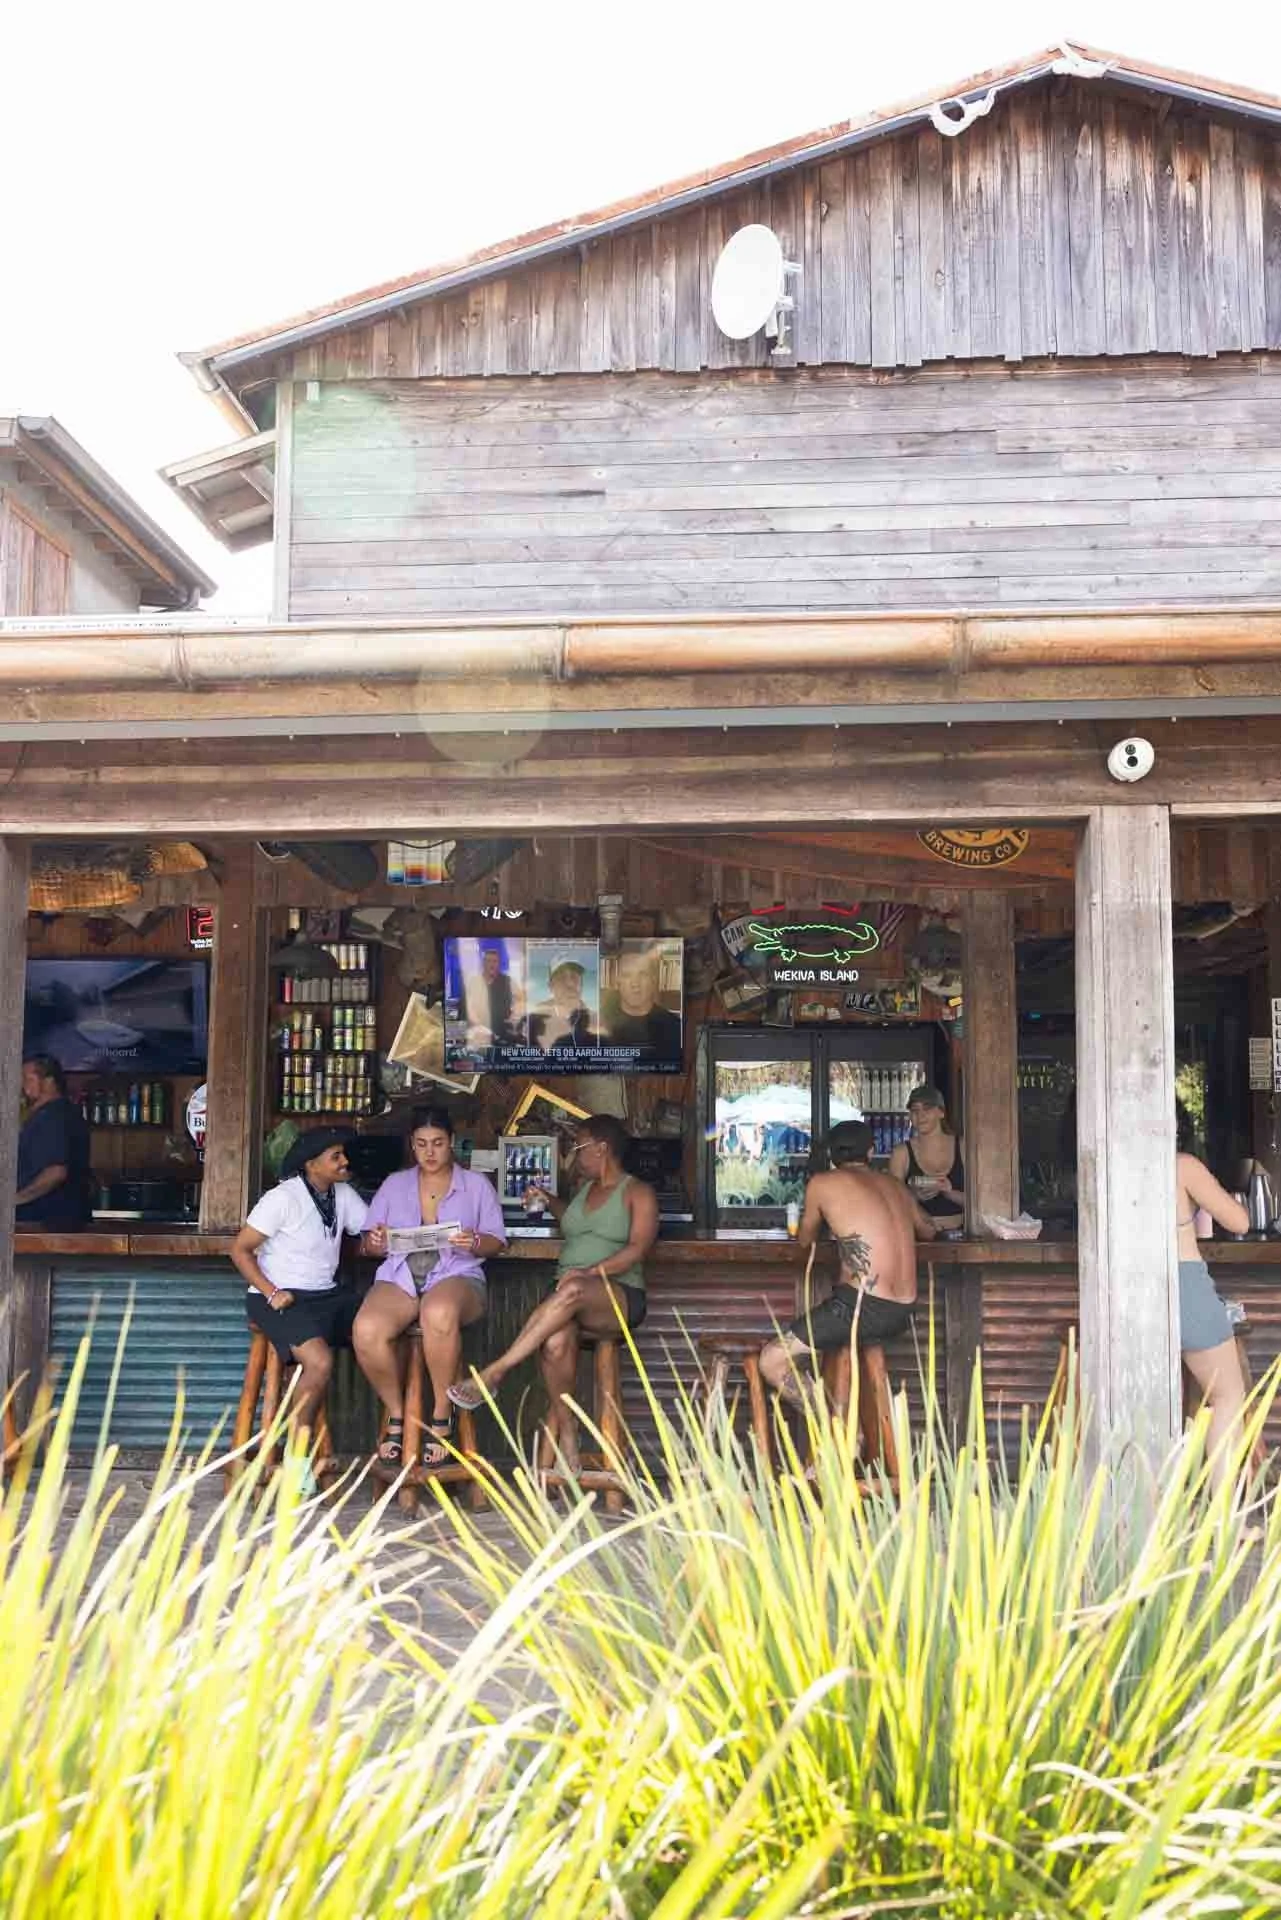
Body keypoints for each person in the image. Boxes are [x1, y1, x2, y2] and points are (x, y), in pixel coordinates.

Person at [449, 1114, 658, 1475]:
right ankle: (569, 1433)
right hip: (568, 1295)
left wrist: (591, 1273)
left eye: (578, 1147)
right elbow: (573, 1221)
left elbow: (638, 1249)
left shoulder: (638, 1192)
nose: (574, 1156)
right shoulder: (584, 1191)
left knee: (574, 1290)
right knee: (555, 1343)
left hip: (618, 1297)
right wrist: (549, 1199)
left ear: (601, 1148)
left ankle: (496, 1372)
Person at [353, 1106, 507, 1468]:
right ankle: (396, 1413)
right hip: (402, 1273)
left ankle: (442, 1412)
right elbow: (368, 1244)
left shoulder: (476, 1185)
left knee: (437, 1311)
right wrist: (375, 1240)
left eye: (438, 1143)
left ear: (451, 1143)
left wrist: (473, 1241)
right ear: (412, 1145)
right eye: (422, 1144)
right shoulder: (395, 1184)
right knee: (366, 1329)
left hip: (458, 1274)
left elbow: (497, 1242)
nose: (430, 1152)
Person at [759, 1121, 937, 1408]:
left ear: (832, 1156)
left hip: (861, 1309)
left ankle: (839, 1434)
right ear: (871, 1150)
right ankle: (851, 1430)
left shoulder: (823, 1183)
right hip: (905, 1311)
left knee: (771, 1361)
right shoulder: (895, 1185)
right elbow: (928, 1229)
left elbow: (805, 1240)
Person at [229, 1127, 368, 1454]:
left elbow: (370, 1232)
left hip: (327, 1295)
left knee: (382, 1332)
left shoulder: (343, 1194)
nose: (344, 1161)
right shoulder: (282, 1198)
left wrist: (380, 1238)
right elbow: (239, 1250)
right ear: (311, 1165)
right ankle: (296, 1450)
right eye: (335, 1157)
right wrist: (271, 1291)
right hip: (279, 1297)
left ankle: (396, 1430)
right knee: (319, 1362)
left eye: (342, 1154)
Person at [1175, 1102, 1251, 1492]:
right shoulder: (1182, 1166)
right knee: (1227, 1395)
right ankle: (1222, 1515)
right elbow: (1239, 1221)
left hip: (1121, 1286)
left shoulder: (1106, 1163)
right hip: (1183, 1284)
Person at [16, 1055, 91, 1229]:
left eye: (28, 1079)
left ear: (49, 1081)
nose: (23, 1085)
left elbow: (55, 1172)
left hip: (45, 1222)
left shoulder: (51, 1115)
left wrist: (15, 1200)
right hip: (62, 1221)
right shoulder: (64, 1111)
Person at [888, 1084, 966, 1232]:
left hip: (961, 1234)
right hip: (918, 1237)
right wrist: (914, 1196)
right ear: (910, 1115)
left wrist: (949, 1192)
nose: (920, 1115)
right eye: (915, 1110)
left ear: (941, 1113)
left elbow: (983, 1203)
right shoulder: (902, 1153)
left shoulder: (962, 1147)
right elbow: (893, 1202)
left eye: (927, 1108)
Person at [600, 943, 682, 1059]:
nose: (635, 984)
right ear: (617, 982)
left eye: (643, 974)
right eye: (627, 975)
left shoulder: (675, 1028)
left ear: (653, 980)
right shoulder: (598, 1024)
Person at [528, 956, 598, 1054]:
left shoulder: (597, 1021)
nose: (570, 984)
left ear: (581, 984)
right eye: (561, 979)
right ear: (551, 986)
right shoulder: (536, 1021)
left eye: (574, 977)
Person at [464, 944, 522, 1051]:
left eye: (495, 961)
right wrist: (478, 1025)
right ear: (483, 963)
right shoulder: (473, 981)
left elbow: (521, 999)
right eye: (489, 961)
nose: (492, 964)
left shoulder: (508, 981)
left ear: (498, 964)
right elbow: (469, 1005)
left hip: (503, 1033)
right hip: (479, 1034)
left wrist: (515, 1014)